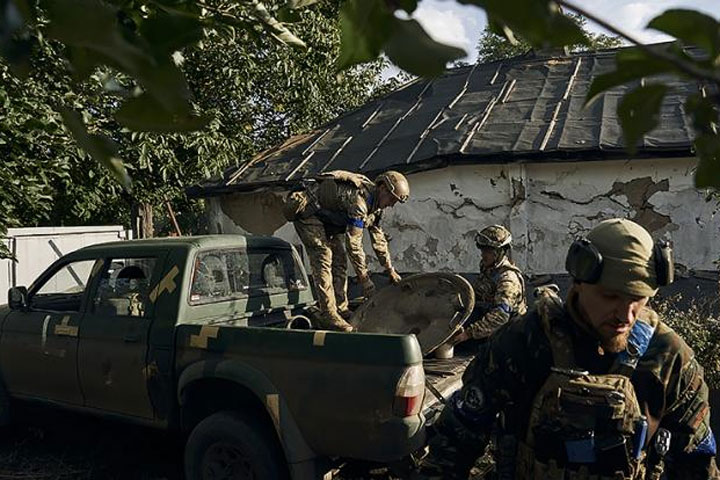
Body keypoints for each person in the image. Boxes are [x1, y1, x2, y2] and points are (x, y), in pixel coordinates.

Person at [418, 218, 719, 479]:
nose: (625, 315)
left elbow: (697, 462)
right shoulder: (524, 342)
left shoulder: (668, 357)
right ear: (579, 281)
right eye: (610, 296)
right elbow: (455, 442)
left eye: (638, 299)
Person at [283, 170, 409, 331]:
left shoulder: (375, 207)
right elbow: (354, 246)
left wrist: (390, 270)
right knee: (324, 255)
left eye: (395, 201)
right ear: (382, 188)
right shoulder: (359, 202)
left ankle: (341, 308)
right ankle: (328, 313)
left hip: (326, 219)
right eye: (391, 198)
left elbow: (379, 241)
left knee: (340, 259)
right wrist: (365, 280)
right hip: (308, 212)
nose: (391, 204)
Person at [452, 225, 526, 345]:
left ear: (498, 252)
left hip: (506, 334)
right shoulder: (489, 269)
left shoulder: (508, 280)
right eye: (482, 251)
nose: (482, 255)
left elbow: (500, 317)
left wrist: (467, 334)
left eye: (487, 251)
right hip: (485, 323)